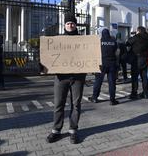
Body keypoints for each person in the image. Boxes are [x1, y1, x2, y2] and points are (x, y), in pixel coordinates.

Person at [46, 13, 86, 144]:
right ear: (64, 25)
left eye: (73, 23)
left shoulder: (83, 41)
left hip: (78, 77)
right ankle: (56, 130)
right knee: (58, 104)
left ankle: (73, 130)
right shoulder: (57, 40)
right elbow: (50, 56)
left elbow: (89, 56)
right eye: (68, 23)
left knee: (76, 105)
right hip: (61, 77)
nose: (70, 25)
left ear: (76, 25)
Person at [88, 28, 119, 105]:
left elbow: (94, 53)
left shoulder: (99, 41)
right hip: (112, 64)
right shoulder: (113, 41)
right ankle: (112, 100)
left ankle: (94, 97)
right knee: (112, 82)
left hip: (102, 64)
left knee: (98, 81)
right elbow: (117, 52)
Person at [126, 26, 148, 99]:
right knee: (144, 76)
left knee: (134, 77)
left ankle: (134, 93)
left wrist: (134, 35)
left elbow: (127, 43)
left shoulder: (136, 37)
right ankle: (145, 93)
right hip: (145, 58)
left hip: (136, 59)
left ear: (138, 31)